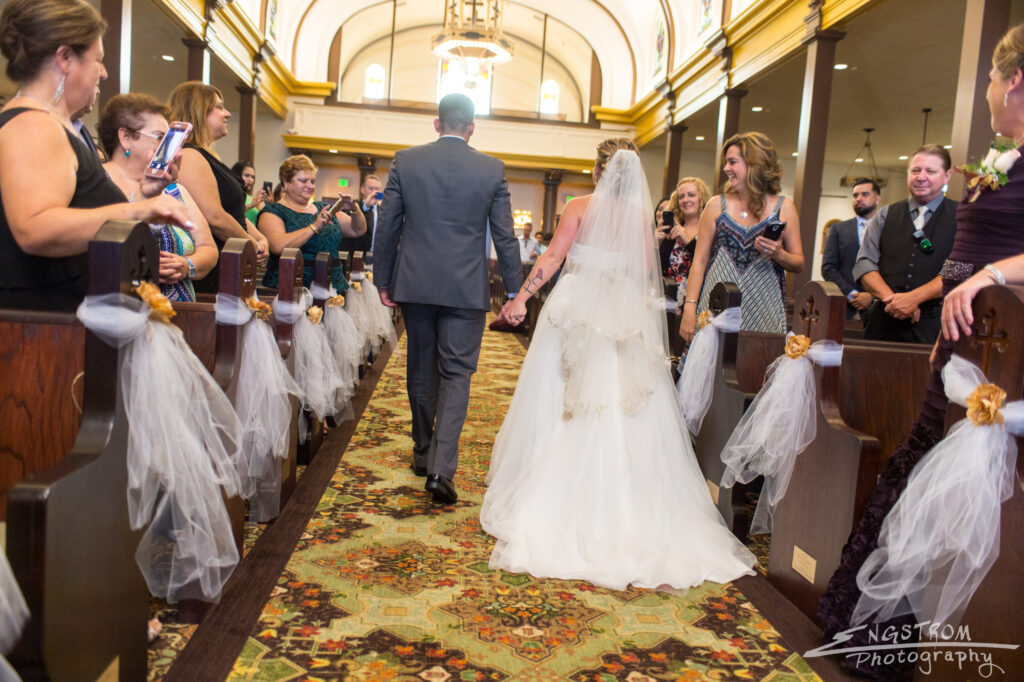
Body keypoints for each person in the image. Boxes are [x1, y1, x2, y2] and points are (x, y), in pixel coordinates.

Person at [818, 24, 1024, 680]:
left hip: (1005, 353)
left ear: (1014, 81)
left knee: (965, 493)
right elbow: (968, 256)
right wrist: (947, 327)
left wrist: (987, 278)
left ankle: (949, 641)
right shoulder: (1004, 157)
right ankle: (885, 635)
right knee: (920, 474)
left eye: (990, 79)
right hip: (962, 343)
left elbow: (987, 265)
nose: (986, 91)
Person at [481, 139, 756, 590]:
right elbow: (643, 271)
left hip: (577, 310)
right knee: (624, 399)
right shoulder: (637, 218)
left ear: (598, 171)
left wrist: (522, 298)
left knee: (561, 395)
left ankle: (554, 490)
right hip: (622, 314)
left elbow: (553, 257)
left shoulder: (579, 206)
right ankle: (629, 501)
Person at [374, 93, 522, 504]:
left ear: (436, 124)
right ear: (472, 128)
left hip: (415, 283)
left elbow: (388, 225)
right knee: (457, 375)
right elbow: (506, 236)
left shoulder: (406, 161)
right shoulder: (492, 169)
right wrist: (515, 291)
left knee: (421, 369)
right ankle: (442, 470)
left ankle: (423, 451)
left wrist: (383, 279)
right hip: (466, 288)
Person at [0, 0, 193, 311]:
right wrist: (140, 211)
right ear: (65, 58)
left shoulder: (53, 125)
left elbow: (81, 213)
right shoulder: (34, 125)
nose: (103, 73)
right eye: (98, 60)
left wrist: (145, 195)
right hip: (48, 319)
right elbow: (35, 229)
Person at [680, 132, 804, 341]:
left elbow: (798, 262)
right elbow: (699, 262)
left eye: (732, 162)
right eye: (726, 162)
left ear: (754, 163)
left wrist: (778, 254)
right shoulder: (716, 206)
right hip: (716, 309)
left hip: (764, 311)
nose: (726, 168)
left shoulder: (785, 208)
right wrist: (689, 308)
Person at [97, 93, 217, 302]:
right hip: (121, 306)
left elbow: (208, 248)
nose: (168, 147)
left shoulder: (174, 190)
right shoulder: (98, 184)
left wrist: (186, 265)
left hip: (181, 310)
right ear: (125, 138)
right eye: (160, 137)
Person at [168, 81, 268, 293]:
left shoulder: (207, 156)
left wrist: (259, 237)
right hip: (214, 266)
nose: (227, 113)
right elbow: (214, 217)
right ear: (199, 111)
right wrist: (251, 244)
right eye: (220, 107)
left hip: (230, 259)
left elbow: (232, 211)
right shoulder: (190, 155)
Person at [852, 146, 957, 343]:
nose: (921, 177)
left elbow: (960, 269)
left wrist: (914, 298)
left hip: (936, 326)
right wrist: (894, 301)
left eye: (930, 171)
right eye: (916, 170)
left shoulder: (962, 217)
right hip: (883, 322)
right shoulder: (885, 215)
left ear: (947, 175)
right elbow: (864, 264)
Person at [259, 154, 365, 292]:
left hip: (332, 284)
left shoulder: (324, 208)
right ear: (286, 182)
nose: (309, 186)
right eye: (303, 181)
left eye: (312, 181)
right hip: (293, 287)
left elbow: (357, 230)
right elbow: (278, 246)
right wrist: (314, 226)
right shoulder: (272, 211)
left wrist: (354, 209)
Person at [822, 178, 880, 319]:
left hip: (879, 308)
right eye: (855, 195)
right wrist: (851, 294)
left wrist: (872, 296)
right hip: (845, 307)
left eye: (865, 194)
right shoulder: (838, 229)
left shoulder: (888, 230)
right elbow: (828, 268)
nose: (859, 199)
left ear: (877, 198)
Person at [666, 177, 712, 312]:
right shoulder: (674, 228)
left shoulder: (710, 229)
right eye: (681, 196)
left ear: (702, 199)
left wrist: (688, 241)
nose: (685, 200)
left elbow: (709, 263)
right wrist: (659, 241)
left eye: (691, 195)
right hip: (669, 302)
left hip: (697, 301)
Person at [340, 173, 383, 261]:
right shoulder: (353, 206)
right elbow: (352, 225)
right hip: (356, 256)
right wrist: (365, 206)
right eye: (371, 188)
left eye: (377, 189)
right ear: (362, 190)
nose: (374, 192)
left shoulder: (383, 210)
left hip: (377, 257)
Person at [231, 160, 269, 227]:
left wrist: (268, 205)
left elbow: (264, 221)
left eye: (252, 177)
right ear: (237, 175)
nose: (250, 180)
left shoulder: (254, 199)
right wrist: (251, 205)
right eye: (247, 175)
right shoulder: (230, 195)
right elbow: (230, 215)